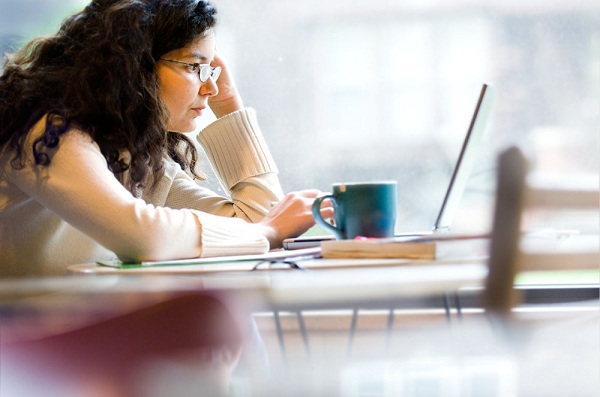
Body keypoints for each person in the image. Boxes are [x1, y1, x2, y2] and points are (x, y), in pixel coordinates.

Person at [0, 0, 332, 277]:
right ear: (132, 66)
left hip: (81, 335)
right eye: (195, 67)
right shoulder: (46, 132)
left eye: (212, 70)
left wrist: (229, 103)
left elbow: (257, 219)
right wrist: (267, 233)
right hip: (23, 344)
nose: (211, 87)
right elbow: (142, 235)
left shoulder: (140, 160)